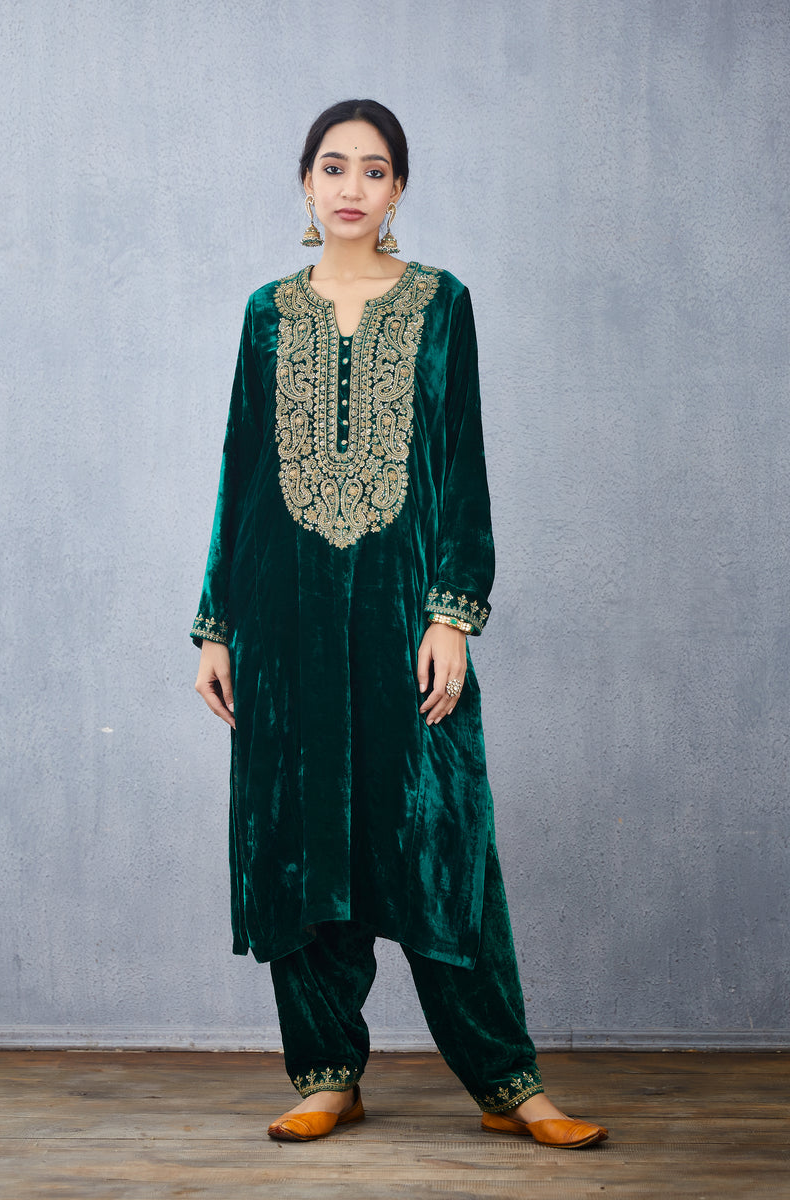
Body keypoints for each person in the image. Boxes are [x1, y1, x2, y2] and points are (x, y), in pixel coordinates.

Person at [192, 99, 608, 1150]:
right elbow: (241, 472)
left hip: (401, 620)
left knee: (440, 837)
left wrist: (451, 613)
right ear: (305, 182)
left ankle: (507, 1081)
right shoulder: (265, 314)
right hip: (281, 626)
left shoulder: (440, 303)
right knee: (301, 841)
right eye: (332, 167)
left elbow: (462, 464)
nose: (350, 187)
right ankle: (326, 1073)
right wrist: (216, 626)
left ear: (398, 189)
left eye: (372, 170)